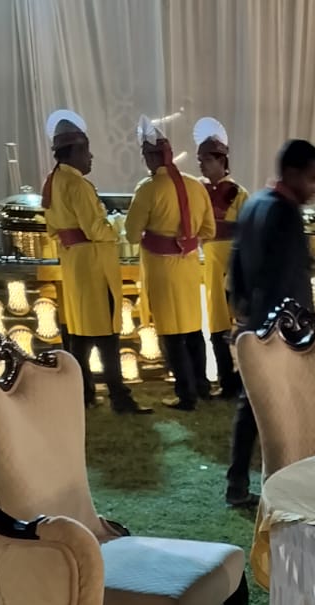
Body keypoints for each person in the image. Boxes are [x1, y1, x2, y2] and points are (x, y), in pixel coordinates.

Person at [224, 138, 315, 508]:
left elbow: (235, 264)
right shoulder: (284, 212)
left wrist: (245, 316)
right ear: (292, 173)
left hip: (256, 323)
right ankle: (282, 481)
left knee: (250, 405)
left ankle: (238, 484)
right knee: (283, 409)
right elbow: (287, 279)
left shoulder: (254, 204)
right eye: (312, 178)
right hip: (284, 327)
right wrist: (301, 329)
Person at [40, 109, 149, 414]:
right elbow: (95, 229)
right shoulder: (77, 185)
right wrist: (116, 227)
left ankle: (83, 394)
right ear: (74, 151)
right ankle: (119, 396)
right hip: (94, 266)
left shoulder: (53, 181)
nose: (91, 157)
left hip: (74, 264)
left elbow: (53, 227)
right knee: (105, 333)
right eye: (86, 151)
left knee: (79, 333)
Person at [124, 116, 215, 410]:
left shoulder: (148, 189)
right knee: (192, 329)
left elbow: (131, 234)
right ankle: (202, 386)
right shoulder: (196, 186)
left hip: (161, 269)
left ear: (151, 157)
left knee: (172, 333)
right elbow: (209, 230)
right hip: (189, 267)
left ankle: (185, 394)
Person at [194, 116, 248, 398]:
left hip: (233, 268)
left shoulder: (240, 195)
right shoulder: (198, 193)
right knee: (216, 324)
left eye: (206, 159)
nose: (201, 165)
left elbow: (248, 232)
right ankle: (226, 382)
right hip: (209, 268)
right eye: (200, 160)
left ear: (221, 161)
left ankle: (242, 380)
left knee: (238, 323)